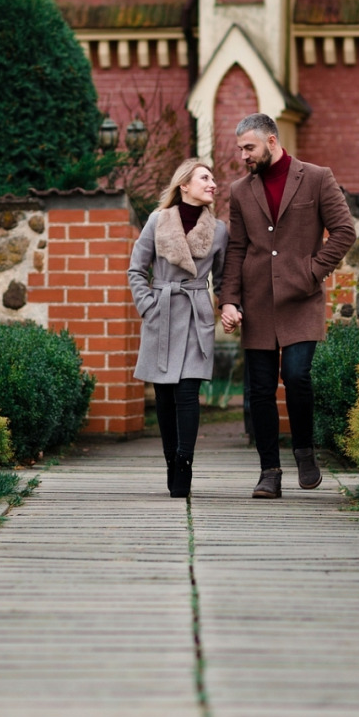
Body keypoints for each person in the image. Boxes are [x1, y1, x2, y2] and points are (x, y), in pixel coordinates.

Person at [219, 114, 355, 499]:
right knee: (260, 389)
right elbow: (237, 249)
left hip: (302, 298)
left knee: (296, 376)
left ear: (272, 142)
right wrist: (229, 299)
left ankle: (304, 452)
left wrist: (312, 271)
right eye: (241, 149)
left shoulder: (316, 177)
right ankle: (269, 472)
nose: (244, 155)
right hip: (257, 300)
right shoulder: (241, 190)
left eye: (250, 148)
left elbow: (344, 231)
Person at [128, 159, 230, 498]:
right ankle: (170, 460)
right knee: (164, 396)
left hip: (195, 314)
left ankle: (185, 461)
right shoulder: (158, 220)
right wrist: (148, 306)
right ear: (184, 184)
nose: (212, 183)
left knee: (187, 392)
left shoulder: (219, 230)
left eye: (213, 178)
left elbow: (225, 277)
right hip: (163, 311)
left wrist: (227, 306)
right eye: (204, 177)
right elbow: (136, 269)